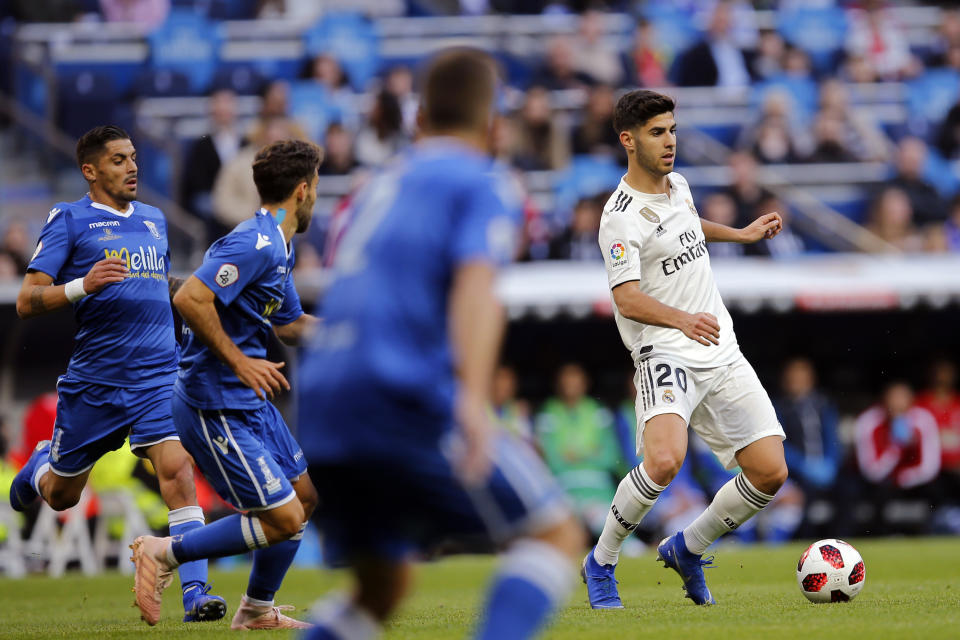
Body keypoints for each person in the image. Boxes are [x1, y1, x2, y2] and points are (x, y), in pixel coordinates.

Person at [297, 48, 585, 639]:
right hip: (397, 392)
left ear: (419, 120)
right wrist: (474, 403)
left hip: (321, 398)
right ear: (495, 127)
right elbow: (478, 289)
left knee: (382, 587)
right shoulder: (483, 180)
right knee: (555, 535)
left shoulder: (381, 184)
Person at [8, 125, 226, 622]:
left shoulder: (153, 219)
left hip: (158, 374)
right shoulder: (69, 219)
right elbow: (26, 300)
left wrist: (193, 293)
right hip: (97, 382)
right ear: (90, 170)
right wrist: (81, 285)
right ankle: (39, 465)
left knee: (177, 474)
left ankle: (196, 596)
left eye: (133, 157)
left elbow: (155, 282)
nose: (132, 167)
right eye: (119, 160)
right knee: (63, 496)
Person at [581, 90, 788, 609]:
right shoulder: (619, 217)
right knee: (665, 459)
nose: (670, 141)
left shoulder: (679, 187)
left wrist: (739, 235)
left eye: (672, 129)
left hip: (719, 346)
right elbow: (626, 298)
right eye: (657, 132)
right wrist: (682, 320)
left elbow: (687, 227)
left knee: (770, 471)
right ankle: (601, 561)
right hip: (665, 348)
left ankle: (688, 548)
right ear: (628, 140)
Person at [129, 139, 322, 629]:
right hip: (214, 404)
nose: (317, 195)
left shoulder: (278, 242)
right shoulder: (254, 243)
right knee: (283, 519)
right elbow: (191, 298)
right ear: (303, 190)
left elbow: (290, 324)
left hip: (247, 401)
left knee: (304, 500)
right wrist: (240, 362)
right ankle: (163, 552)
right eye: (317, 186)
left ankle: (256, 609)